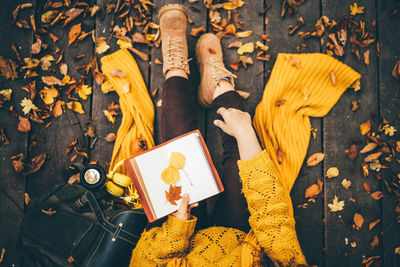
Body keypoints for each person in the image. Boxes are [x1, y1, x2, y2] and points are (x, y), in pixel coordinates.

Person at [130, 4, 307, 267]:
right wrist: (246, 134)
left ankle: (176, 69)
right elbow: (274, 221)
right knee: (240, 142)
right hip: (241, 236)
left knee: (176, 153)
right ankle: (218, 83)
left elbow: (146, 261)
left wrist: (178, 227)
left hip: (185, 244)